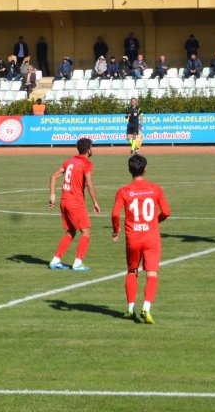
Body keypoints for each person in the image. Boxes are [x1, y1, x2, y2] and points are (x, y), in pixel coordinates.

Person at [111, 154, 170, 324]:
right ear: (145, 169)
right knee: (151, 273)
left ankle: (130, 309)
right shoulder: (155, 189)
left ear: (129, 170)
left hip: (133, 238)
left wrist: (116, 230)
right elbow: (166, 212)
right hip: (151, 237)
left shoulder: (123, 191)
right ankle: (146, 307)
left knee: (132, 271)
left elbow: (115, 213)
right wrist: (154, 222)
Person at [48, 138, 99, 271]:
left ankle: (55, 260)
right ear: (89, 150)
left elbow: (53, 176)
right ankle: (77, 263)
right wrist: (95, 202)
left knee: (71, 231)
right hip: (75, 202)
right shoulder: (86, 163)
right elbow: (89, 183)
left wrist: (52, 196)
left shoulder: (69, 161)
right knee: (86, 231)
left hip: (64, 201)